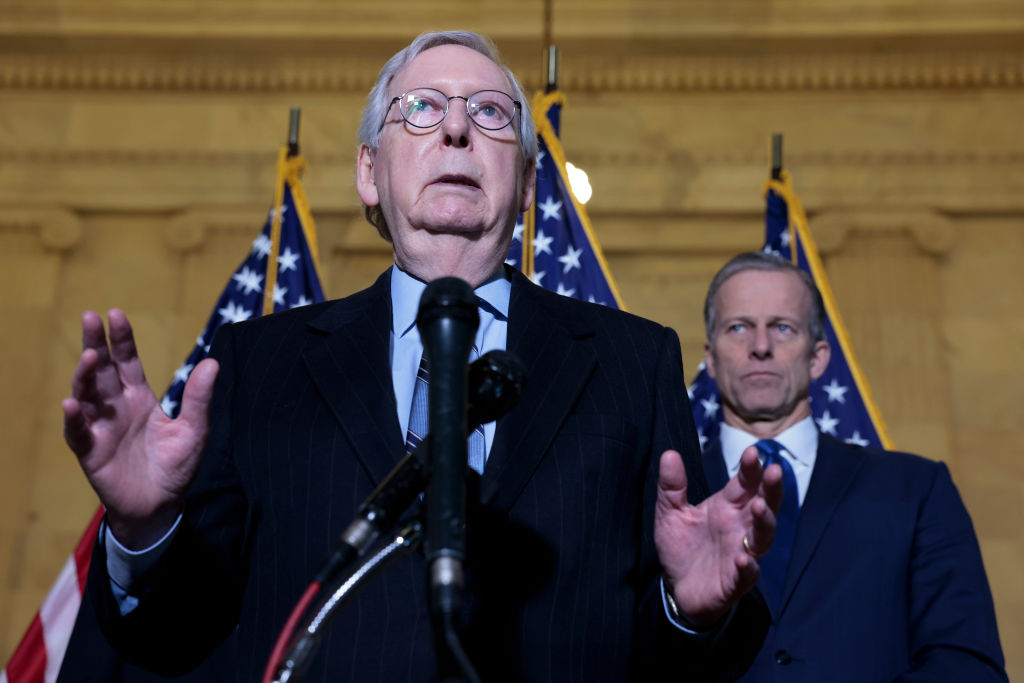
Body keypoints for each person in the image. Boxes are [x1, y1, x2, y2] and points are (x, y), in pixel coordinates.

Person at [61, 32, 781, 682]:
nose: (459, 128)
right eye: (423, 108)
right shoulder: (262, 362)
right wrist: (146, 530)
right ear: (370, 172)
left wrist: (691, 607)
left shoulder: (633, 360)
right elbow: (178, 638)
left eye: (492, 113)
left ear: (529, 184)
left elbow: (670, 654)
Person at [699, 250, 1007, 682]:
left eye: (783, 328)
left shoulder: (915, 489)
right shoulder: (661, 493)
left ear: (819, 356)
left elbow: (967, 665)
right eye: (739, 327)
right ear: (710, 358)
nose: (761, 346)